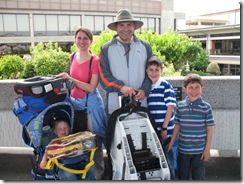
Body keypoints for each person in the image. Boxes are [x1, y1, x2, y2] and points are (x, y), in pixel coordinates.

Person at [56, 27, 107, 180]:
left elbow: (91, 87)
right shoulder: (72, 57)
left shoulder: (95, 60)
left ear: (91, 41)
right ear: (75, 40)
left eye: (85, 38)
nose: (82, 41)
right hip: (75, 104)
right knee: (79, 141)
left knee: (95, 140)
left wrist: (70, 79)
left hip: (91, 106)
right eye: (79, 38)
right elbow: (72, 83)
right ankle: (81, 172)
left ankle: (97, 175)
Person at [99, 8, 153, 116]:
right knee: (115, 132)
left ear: (134, 27)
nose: (125, 29)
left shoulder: (145, 46)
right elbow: (103, 76)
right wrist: (121, 87)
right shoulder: (105, 49)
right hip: (115, 105)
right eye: (121, 25)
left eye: (129, 24)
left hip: (140, 102)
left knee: (140, 132)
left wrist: (144, 89)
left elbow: (151, 72)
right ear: (116, 28)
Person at [166, 73, 215, 180]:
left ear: (202, 89)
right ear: (185, 89)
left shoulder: (206, 107)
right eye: (191, 88)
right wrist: (172, 142)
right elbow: (177, 126)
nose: (194, 91)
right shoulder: (180, 106)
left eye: (197, 87)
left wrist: (207, 149)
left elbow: (210, 129)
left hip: (199, 152)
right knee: (183, 177)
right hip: (183, 151)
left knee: (198, 178)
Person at [145, 56, 177, 180]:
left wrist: (164, 128)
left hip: (166, 131)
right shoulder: (148, 87)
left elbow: (170, 108)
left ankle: (172, 179)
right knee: (158, 160)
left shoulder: (165, 85)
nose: (153, 73)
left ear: (161, 71)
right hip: (154, 130)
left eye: (156, 70)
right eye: (151, 70)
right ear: (146, 71)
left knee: (169, 160)